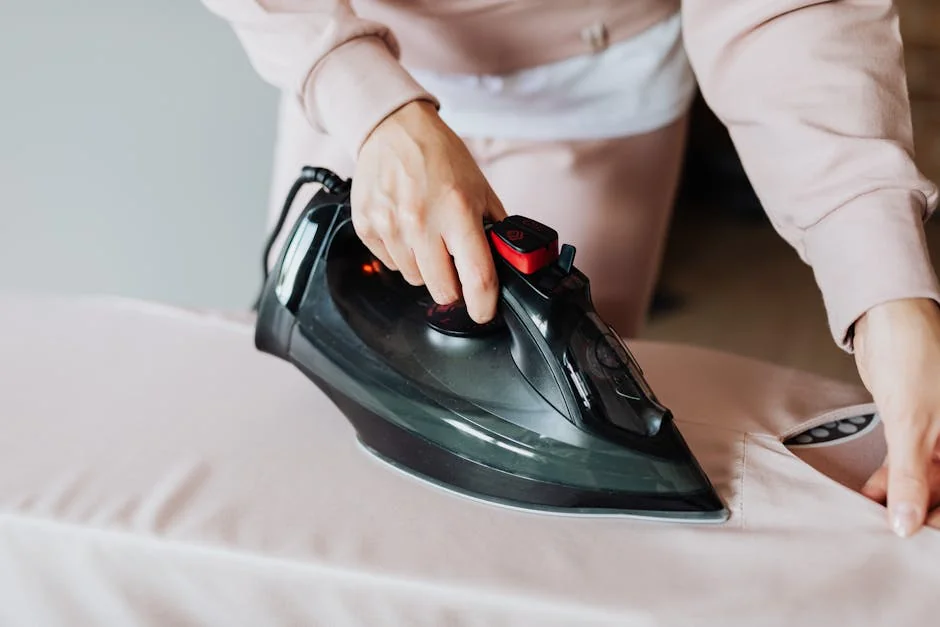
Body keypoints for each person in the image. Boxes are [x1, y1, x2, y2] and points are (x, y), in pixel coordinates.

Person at [202, 0, 940, 537]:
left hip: (592, 83)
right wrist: (368, 103)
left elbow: (790, 14)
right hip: (353, 65)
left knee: (554, 532)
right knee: (308, 459)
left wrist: (882, 284)